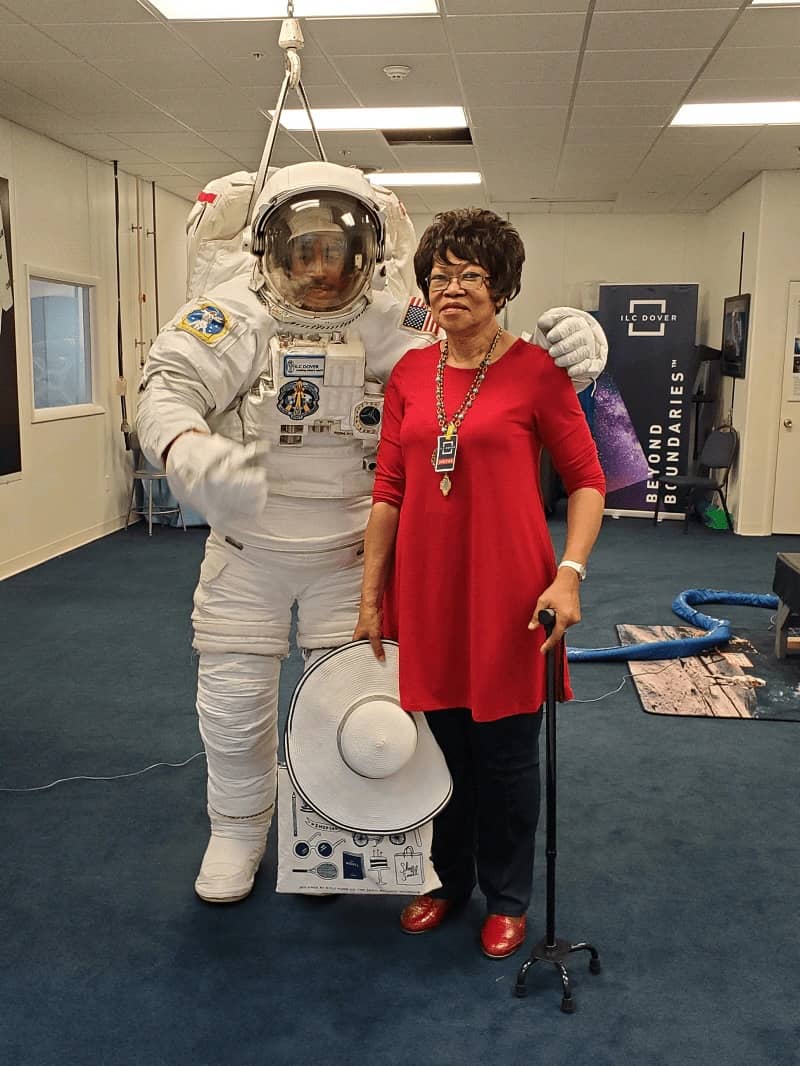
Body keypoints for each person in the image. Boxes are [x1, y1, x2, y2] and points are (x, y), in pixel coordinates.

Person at [136, 161, 608, 905]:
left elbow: (482, 359)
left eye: (336, 251)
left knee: (353, 713)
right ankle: (235, 829)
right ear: (271, 248)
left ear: (367, 253)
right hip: (247, 546)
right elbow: (168, 384)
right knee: (232, 707)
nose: (320, 269)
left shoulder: (393, 316)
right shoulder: (232, 310)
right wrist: (186, 446)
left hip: (350, 553)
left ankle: (330, 826)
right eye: (304, 249)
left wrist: (577, 348)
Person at [353, 207, 606, 959]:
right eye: (440, 275)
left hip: (512, 595)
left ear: (502, 288)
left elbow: (588, 481)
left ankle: (508, 895)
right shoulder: (408, 373)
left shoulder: (536, 373)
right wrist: (371, 596)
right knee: (440, 753)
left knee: (504, 758)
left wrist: (570, 574)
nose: (452, 287)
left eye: (470, 275)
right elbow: (389, 490)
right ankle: (446, 880)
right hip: (428, 592)